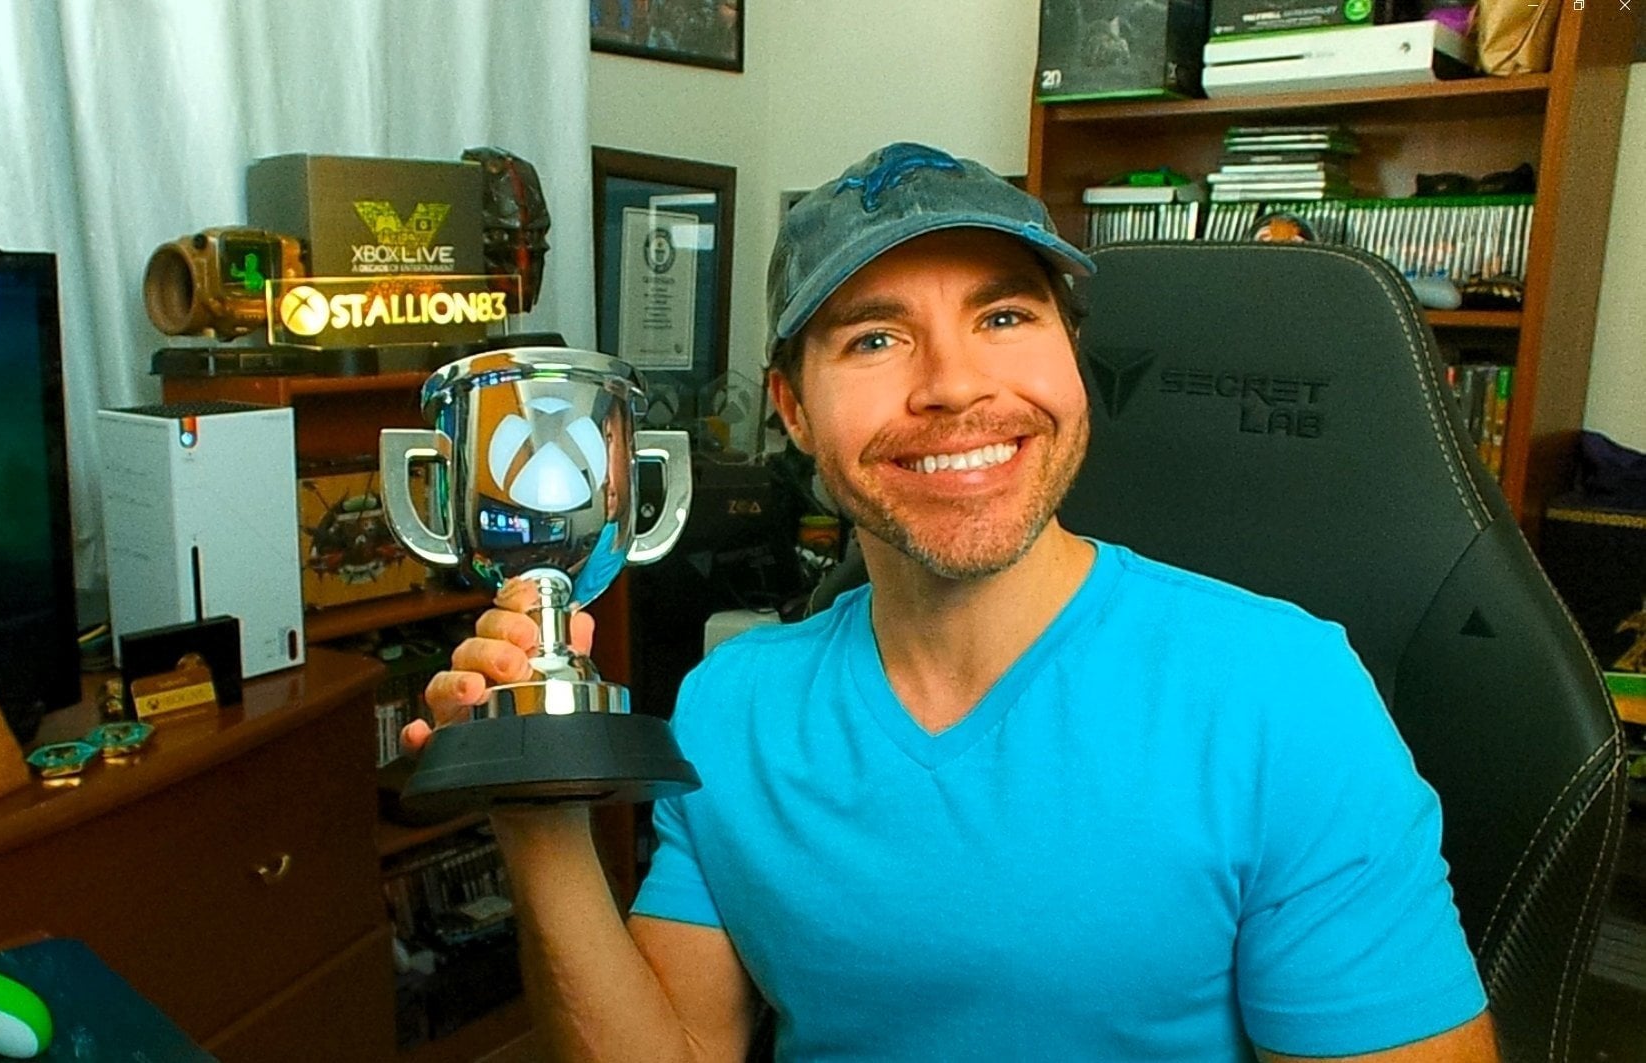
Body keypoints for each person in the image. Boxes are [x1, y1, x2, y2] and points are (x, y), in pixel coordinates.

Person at [406, 142, 1499, 1062]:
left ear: (1073, 357)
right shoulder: (729, 707)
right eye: (874, 339)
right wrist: (535, 812)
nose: (954, 385)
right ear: (792, 406)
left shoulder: (1283, 695)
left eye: (1005, 316)